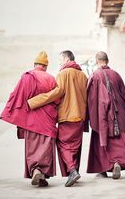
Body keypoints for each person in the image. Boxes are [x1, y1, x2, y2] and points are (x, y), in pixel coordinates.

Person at [27, 50, 88, 187]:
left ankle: (72, 171)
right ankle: (75, 170)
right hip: (80, 117)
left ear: (66, 59)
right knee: (75, 147)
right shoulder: (83, 75)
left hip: (67, 116)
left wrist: (34, 101)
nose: (59, 63)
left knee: (63, 145)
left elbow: (57, 93)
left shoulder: (63, 74)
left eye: (60, 60)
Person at [0, 51, 58, 187]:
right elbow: (57, 99)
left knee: (32, 146)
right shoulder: (50, 78)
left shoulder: (26, 77)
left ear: (34, 64)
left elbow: (16, 96)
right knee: (46, 147)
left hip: (31, 120)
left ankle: (36, 170)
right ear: (46, 66)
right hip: (47, 119)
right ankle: (42, 173)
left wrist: (11, 111)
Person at [86, 51, 125, 179]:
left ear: (97, 61)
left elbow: (90, 99)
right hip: (118, 114)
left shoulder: (95, 75)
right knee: (117, 140)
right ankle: (116, 163)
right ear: (107, 61)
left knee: (101, 140)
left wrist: (91, 116)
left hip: (101, 116)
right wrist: (123, 114)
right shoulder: (116, 75)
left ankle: (102, 169)